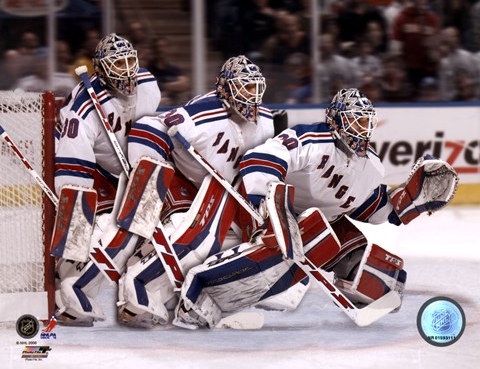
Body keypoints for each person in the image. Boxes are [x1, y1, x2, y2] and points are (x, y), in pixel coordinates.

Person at [172, 88, 458, 329]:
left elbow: (367, 207)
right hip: (265, 215)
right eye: (355, 122)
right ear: (335, 121)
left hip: (314, 225)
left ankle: (277, 281)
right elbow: (259, 158)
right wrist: (272, 205)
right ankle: (202, 294)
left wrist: (405, 203)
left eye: (365, 123)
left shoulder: (371, 166)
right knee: (315, 234)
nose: (363, 131)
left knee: (380, 277)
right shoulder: (310, 140)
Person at [115, 55, 276, 328]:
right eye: (246, 87)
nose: (253, 96)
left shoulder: (266, 121)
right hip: (185, 187)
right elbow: (147, 129)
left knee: (243, 243)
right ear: (225, 88)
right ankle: (139, 289)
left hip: (230, 194)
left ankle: (185, 296)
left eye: (255, 87)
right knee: (199, 238)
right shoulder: (201, 115)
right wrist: (149, 174)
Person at [54, 33, 161, 326]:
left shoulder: (149, 84)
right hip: (88, 165)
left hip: (124, 170)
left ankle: (144, 288)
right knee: (98, 224)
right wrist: (74, 227)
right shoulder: (85, 108)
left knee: (154, 223)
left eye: (130, 61)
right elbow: (72, 176)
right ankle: (69, 279)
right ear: (100, 71)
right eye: (117, 64)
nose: (127, 70)